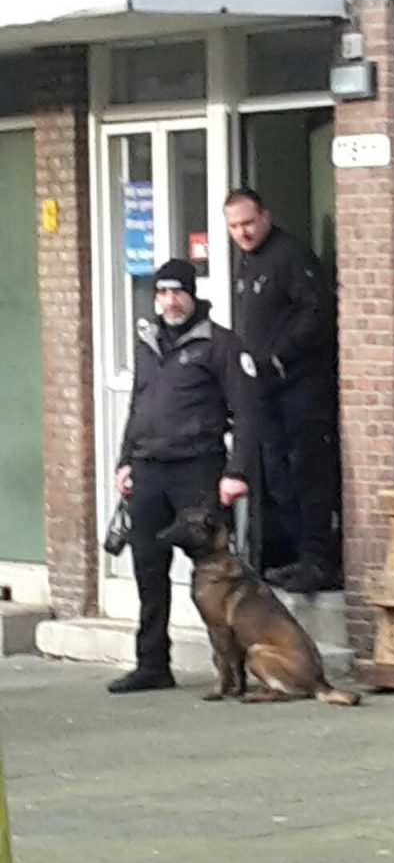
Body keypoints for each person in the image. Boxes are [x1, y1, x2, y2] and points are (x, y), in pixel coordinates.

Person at [107, 258, 259, 694]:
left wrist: (237, 472)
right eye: (162, 293)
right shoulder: (147, 342)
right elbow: (138, 405)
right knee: (147, 568)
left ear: (193, 294)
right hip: (149, 470)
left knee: (218, 574)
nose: (170, 301)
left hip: (197, 470)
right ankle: (152, 664)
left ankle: (235, 668)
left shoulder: (221, 345)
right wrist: (125, 461)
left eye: (178, 292)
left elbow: (247, 414)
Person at [224, 187, 341, 594]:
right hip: (263, 390)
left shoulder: (289, 256)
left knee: (308, 472)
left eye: (248, 223)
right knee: (277, 475)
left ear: (265, 217)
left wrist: (279, 355)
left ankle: (318, 560)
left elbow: (316, 311)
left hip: (299, 387)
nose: (243, 233)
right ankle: (294, 557)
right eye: (235, 227)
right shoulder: (246, 264)